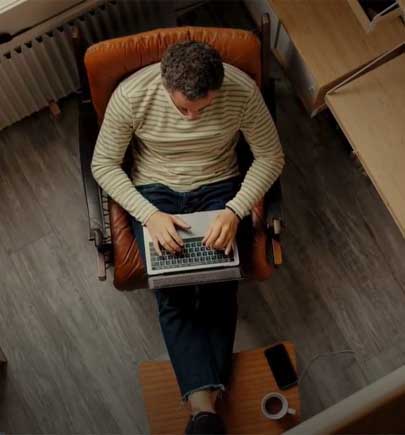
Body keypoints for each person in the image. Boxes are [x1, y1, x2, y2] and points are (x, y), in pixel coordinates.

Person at [91, 40, 284, 434]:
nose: (193, 118)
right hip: (156, 189)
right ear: (165, 85)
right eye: (183, 109)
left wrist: (236, 210)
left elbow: (271, 155)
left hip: (220, 184)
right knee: (172, 290)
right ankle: (206, 407)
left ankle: (202, 415)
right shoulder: (133, 95)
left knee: (220, 284)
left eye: (205, 108)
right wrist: (149, 215)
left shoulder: (241, 91)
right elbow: (104, 164)